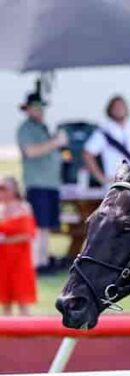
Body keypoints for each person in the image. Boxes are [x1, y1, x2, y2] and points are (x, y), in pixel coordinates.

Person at [15, 91, 65, 271]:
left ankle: (43, 261)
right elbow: (31, 152)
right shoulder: (26, 129)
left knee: (46, 227)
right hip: (37, 184)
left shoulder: (43, 127)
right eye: (36, 108)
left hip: (51, 184)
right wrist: (56, 142)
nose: (40, 111)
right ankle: (36, 263)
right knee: (38, 227)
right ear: (28, 109)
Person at [83, 95, 130, 185]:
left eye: (121, 106)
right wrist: (100, 177)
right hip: (114, 181)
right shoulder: (104, 131)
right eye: (116, 107)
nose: (119, 109)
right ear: (110, 110)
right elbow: (87, 153)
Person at [0, 177, 38, 315]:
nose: (1, 192)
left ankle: (28, 332)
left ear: (14, 190)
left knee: (23, 300)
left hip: (20, 259)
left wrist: (6, 240)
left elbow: (28, 234)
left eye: (4, 188)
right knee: (5, 302)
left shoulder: (24, 207)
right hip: (3, 260)